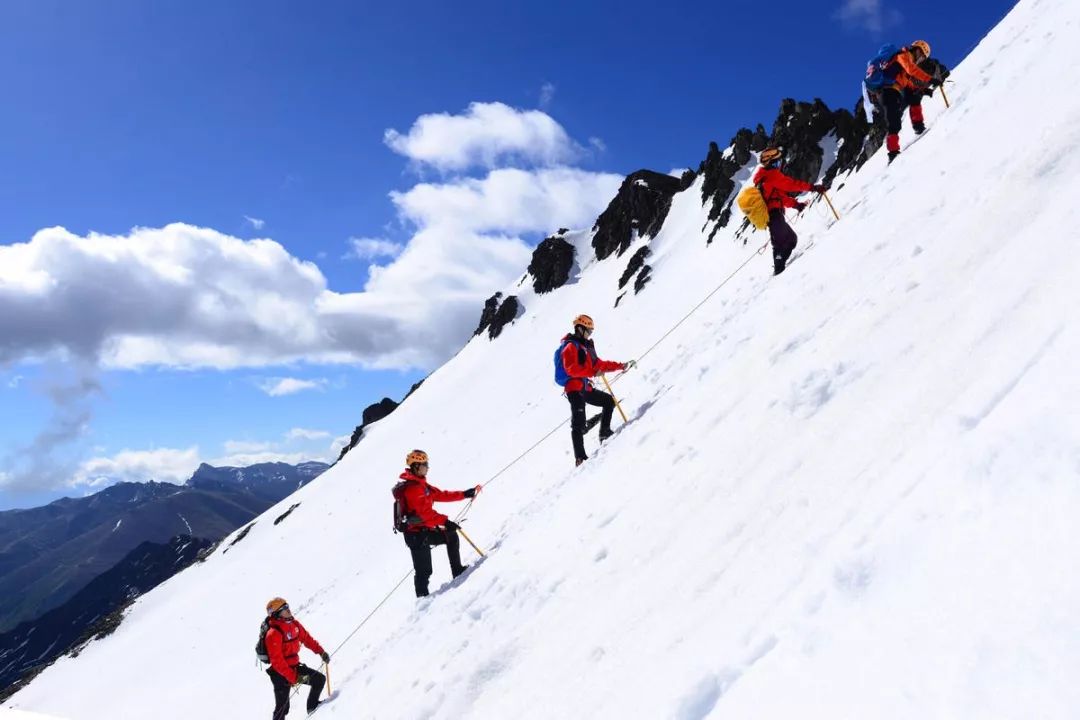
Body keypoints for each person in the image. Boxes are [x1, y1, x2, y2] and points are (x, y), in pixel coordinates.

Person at [394, 449, 482, 598]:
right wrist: (445, 521)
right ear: (416, 466)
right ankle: (422, 601)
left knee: (450, 536)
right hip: (415, 535)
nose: (427, 467)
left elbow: (441, 495)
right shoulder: (413, 489)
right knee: (424, 571)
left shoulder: (422, 485)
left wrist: (464, 494)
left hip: (423, 531)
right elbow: (425, 514)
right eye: (425, 464)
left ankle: (457, 570)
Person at [555, 314, 635, 466]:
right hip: (574, 388)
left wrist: (620, 366)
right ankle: (580, 458)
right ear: (580, 328)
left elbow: (600, 364)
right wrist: (592, 372)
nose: (590, 334)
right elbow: (571, 369)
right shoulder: (570, 346)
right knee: (578, 423)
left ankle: (604, 433)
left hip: (585, 386)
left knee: (608, 401)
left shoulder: (585, 348)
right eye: (589, 331)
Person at [752, 148, 825, 275]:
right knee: (784, 242)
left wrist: (796, 205)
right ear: (771, 163)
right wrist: (812, 187)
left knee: (788, 240)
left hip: (772, 215)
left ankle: (779, 268)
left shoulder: (763, 178)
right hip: (774, 215)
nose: (779, 165)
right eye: (776, 162)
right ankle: (779, 272)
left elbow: (779, 197)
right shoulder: (772, 175)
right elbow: (792, 184)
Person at [866, 40, 936, 163]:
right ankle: (893, 153)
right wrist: (930, 79)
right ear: (917, 50)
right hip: (887, 92)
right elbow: (911, 70)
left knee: (913, 97)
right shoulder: (903, 55)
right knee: (894, 122)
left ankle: (918, 127)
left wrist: (924, 90)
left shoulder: (901, 66)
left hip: (893, 91)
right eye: (922, 56)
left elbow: (909, 84)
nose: (920, 60)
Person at [264, 597, 330, 718]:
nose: (288, 610)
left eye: (287, 606)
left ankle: (313, 708)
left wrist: (321, 652)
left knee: (319, 680)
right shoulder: (273, 634)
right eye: (284, 608)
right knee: (283, 708)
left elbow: (307, 639)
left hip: (295, 668)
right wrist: (294, 677)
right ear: (277, 614)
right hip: (280, 675)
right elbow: (277, 662)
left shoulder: (294, 624)